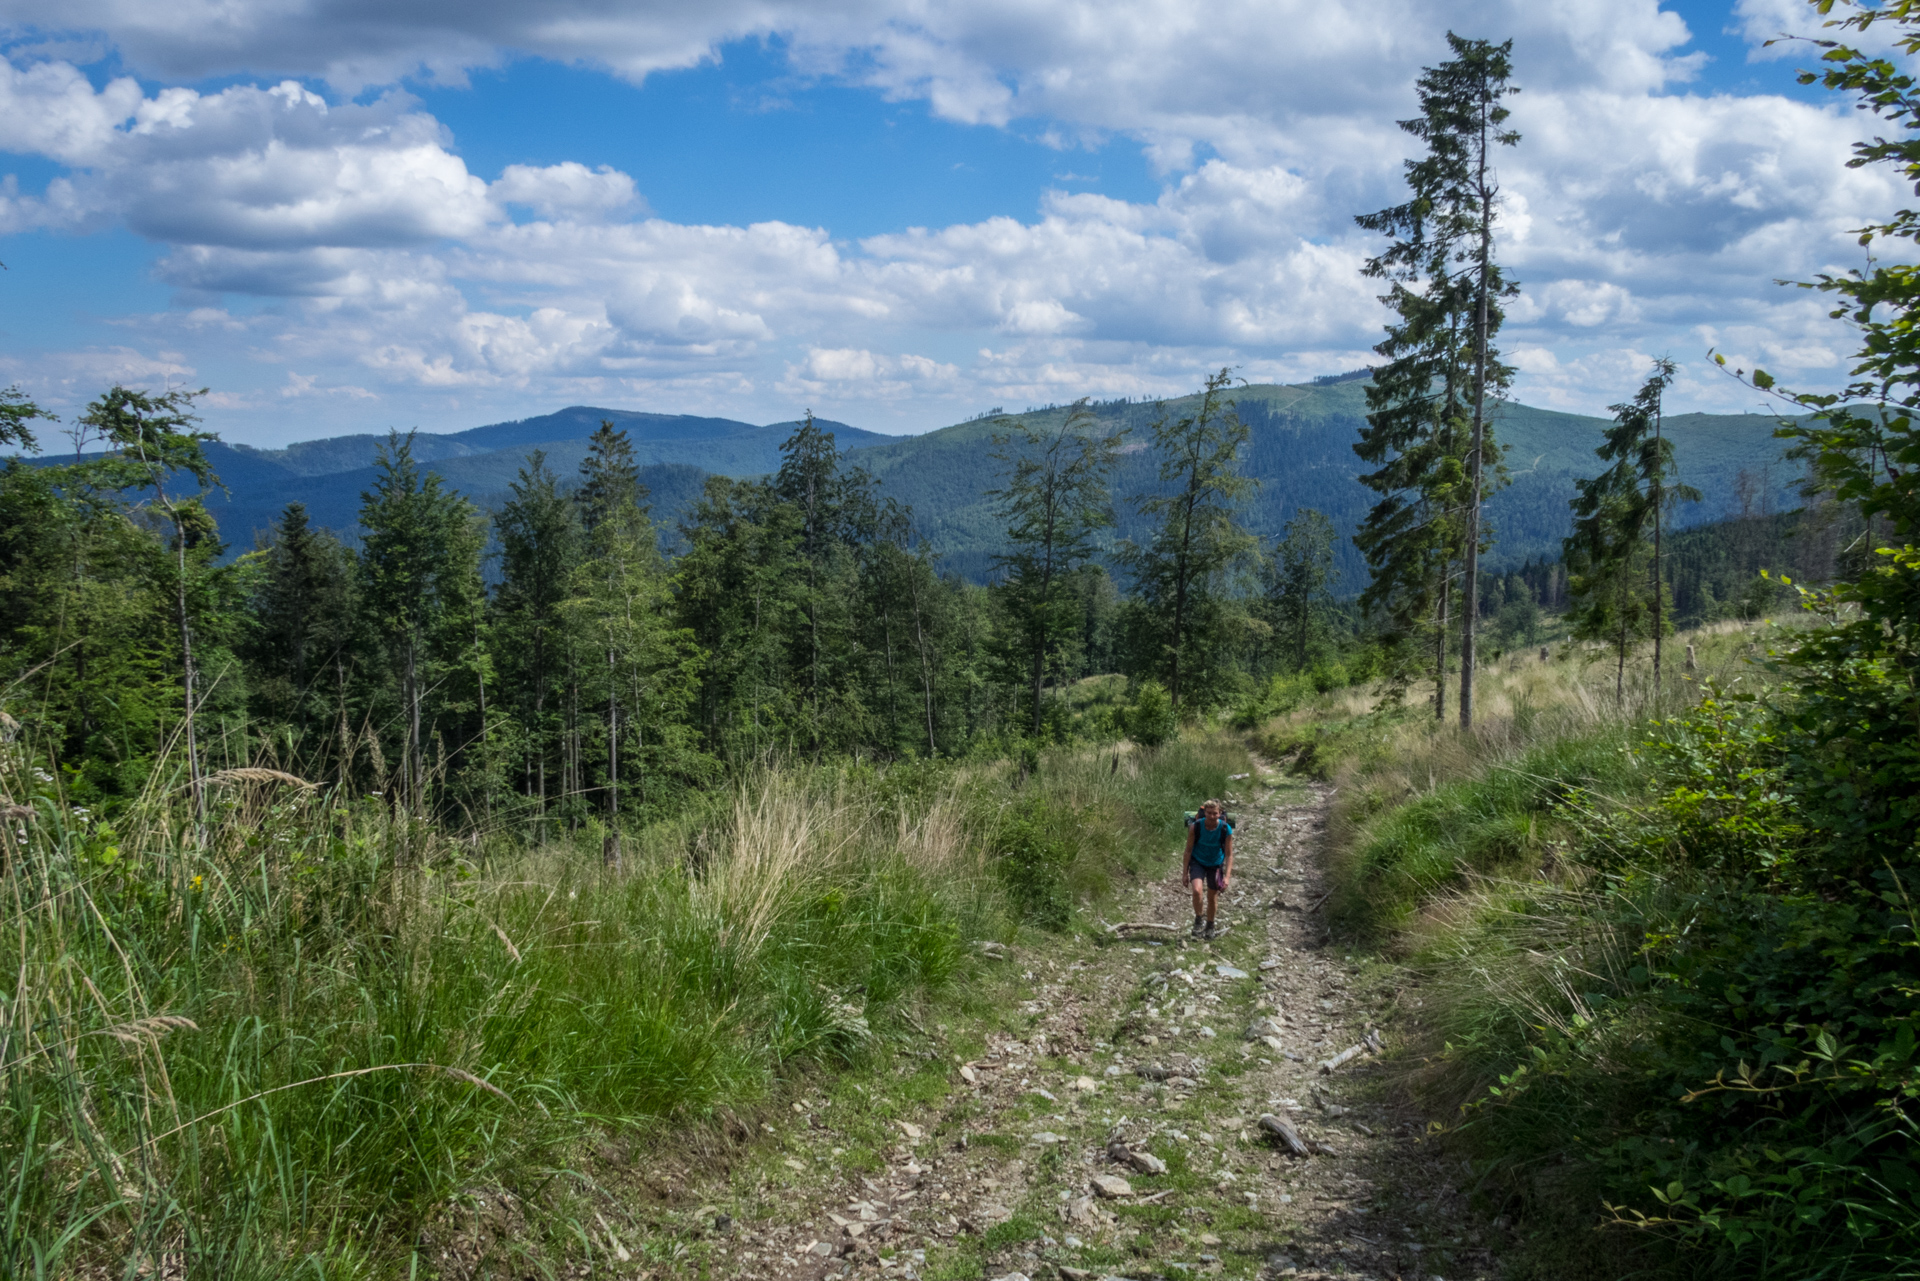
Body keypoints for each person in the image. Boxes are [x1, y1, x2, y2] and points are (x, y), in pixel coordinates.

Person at [1181, 798, 1233, 940]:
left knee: (1212, 896)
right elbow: (1188, 850)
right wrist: (1185, 873)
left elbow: (1229, 854)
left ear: (1220, 813)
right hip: (1198, 861)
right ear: (1205, 813)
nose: (1211, 816)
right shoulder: (1195, 827)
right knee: (1197, 890)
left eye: (1215, 813)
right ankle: (1199, 919)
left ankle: (1210, 925)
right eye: (1209, 813)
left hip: (1215, 864)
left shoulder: (1225, 829)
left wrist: (1227, 877)